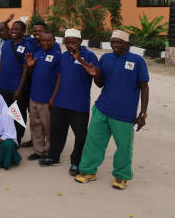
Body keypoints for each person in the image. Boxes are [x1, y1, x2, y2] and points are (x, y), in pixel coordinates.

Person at [76, 30, 149, 190]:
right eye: (113, 41)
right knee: (93, 142)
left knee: (124, 147)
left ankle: (121, 176)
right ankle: (88, 171)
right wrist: (95, 73)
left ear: (127, 44)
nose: (115, 45)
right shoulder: (106, 58)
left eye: (119, 42)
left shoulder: (137, 61)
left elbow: (144, 87)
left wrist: (142, 113)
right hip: (102, 108)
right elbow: (100, 83)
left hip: (124, 114)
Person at [40, 29, 98, 176]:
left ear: (80, 41)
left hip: (79, 104)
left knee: (80, 135)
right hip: (60, 102)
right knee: (57, 131)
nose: (70, 45)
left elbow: (96, 75)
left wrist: (80, 60)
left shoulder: (90, 55)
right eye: (67, 42)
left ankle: (76, 162)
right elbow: (59, 77)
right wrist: (53, 97)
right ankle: (54, 156)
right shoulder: (63, 56)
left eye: (73, 41)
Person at [24, 31, 60, 161]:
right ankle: (39, 150)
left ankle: (49, 150)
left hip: (47, 99)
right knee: (35, 125)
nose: (45, 42)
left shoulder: (57, 56)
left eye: (48, 40)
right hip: (34, 96)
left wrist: (53, 97)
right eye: (42, 40)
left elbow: (59, 78)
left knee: (48, 127)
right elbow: (31, 73)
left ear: (53, 40)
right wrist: (29, 66)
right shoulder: (37, 54)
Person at [0, 20, 29, 143]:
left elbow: (26, 68)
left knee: (18, 114)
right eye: (12, 28)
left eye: (17, 29)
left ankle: (18, 138)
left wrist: (19, 89)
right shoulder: (6, 44)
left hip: (18, 88)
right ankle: (7, 134)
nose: (14, 31)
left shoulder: (27, 46)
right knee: (5, 113)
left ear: (23, 31)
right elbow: (1, 63)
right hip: (3, 85)